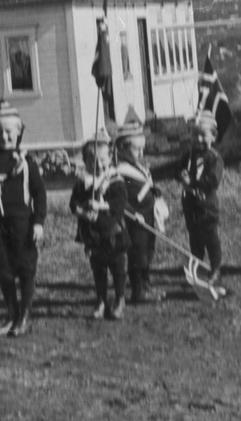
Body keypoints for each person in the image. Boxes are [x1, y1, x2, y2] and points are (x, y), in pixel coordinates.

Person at [0, 101, 47, 337]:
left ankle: (24, 315)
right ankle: (11, 312)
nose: (4, 136)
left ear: (18, 132)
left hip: (22, 222)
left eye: (9, 132)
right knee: (2, 269)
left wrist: (38, 222)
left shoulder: (25, 162)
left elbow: (39, 193)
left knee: (25, 268)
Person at [71, 129, 130, 320]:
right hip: (92, 234)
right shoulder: (83, 181)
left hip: (113, 233)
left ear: (110, 159)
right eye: (91, 160)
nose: (97, 164)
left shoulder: (115, 180)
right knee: (98, 268)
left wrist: (100, 205)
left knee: (117, 267)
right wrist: (80, 211)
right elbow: (74, 203)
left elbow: (118, 206)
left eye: (102, 160)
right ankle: (101, 300)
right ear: (85, 161)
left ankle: (119, 300)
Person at [114, 106, 167, 304]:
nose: (141, 152)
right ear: (123, 148)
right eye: (137, 149)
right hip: (135, 219)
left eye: (142, 148)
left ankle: (146, 283)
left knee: (148, 251)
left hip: (148, 215)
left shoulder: (137, 166)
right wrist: (132, 213)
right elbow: (121, 199)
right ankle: (138, 290)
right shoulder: (121, 171)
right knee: (137, 254)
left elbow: (145, 185)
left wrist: (155, 191)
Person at [180, 109, 225, 284]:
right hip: (190, 204)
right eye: (195, 135)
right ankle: (197, 269)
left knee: (210, 238)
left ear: (213, 137)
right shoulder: (189, 155)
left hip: (206, 206)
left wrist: (192, 182)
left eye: (203, 136)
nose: (198, 140)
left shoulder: (214, 158)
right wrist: (181, 174)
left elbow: (213, 180)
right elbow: (178, 169)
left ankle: (215, 269)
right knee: (195, 239)